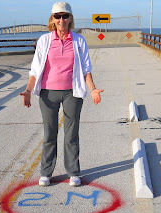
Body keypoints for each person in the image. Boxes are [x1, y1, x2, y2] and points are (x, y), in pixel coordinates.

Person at [19, 2, 103, 187]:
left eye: (65, 16)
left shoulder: (79, 40)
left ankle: (73, 172)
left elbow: (86, 69)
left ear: (71, 18)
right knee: (50, 134)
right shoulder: (44, 41)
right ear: (52, 19)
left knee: (71, 133)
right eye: (57, 16)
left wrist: (93, 88)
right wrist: (28, 90)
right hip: (48, 94)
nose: (61, 20)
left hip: (72, 92)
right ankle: (46, 172)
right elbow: (35, 69)